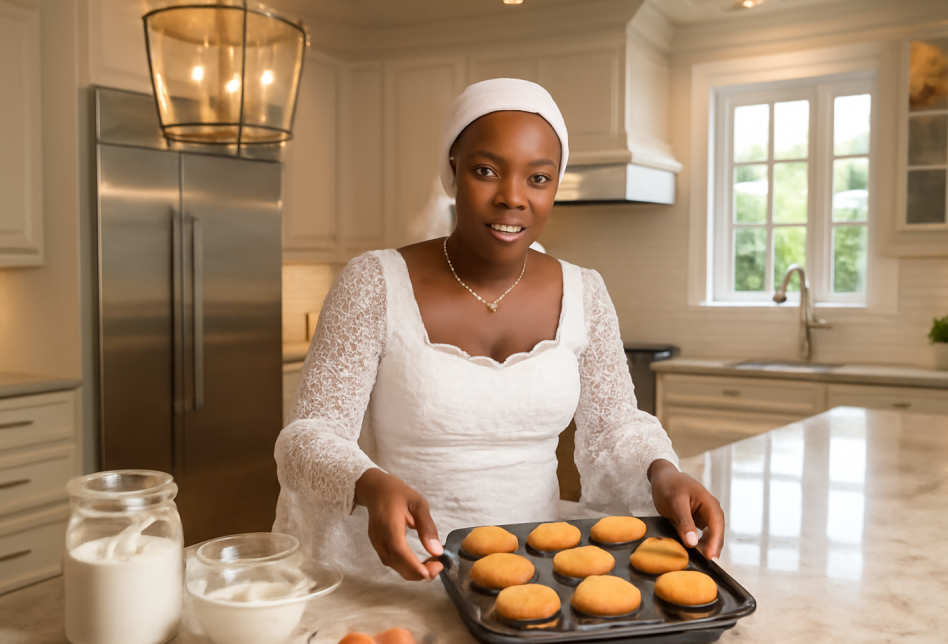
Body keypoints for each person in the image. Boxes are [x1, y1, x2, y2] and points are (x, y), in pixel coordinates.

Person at [273, 78, 724, 582]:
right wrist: (367, 482)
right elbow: (308, 438)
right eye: (486, 171)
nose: (512, 198)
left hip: (535, 577)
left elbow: (614, 430)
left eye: (539, 178)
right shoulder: (373, 283)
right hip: (396, 576)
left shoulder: (585, 292)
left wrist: (663, 472)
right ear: (452, 172)